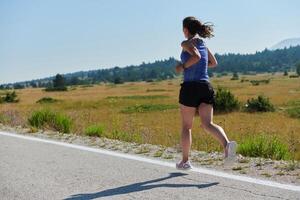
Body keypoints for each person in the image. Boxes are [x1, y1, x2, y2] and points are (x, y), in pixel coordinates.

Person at [175, 16, 237, 170]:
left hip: (190, 87)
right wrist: (199, 67)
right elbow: (214, 63)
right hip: (205, 86)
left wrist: (183, 66)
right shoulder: (203, 43)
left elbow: (197, 56)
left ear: (186, 30)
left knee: (186, 126)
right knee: (207, 124)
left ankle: (185, 161)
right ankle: (227, 145)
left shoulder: (185, 43)